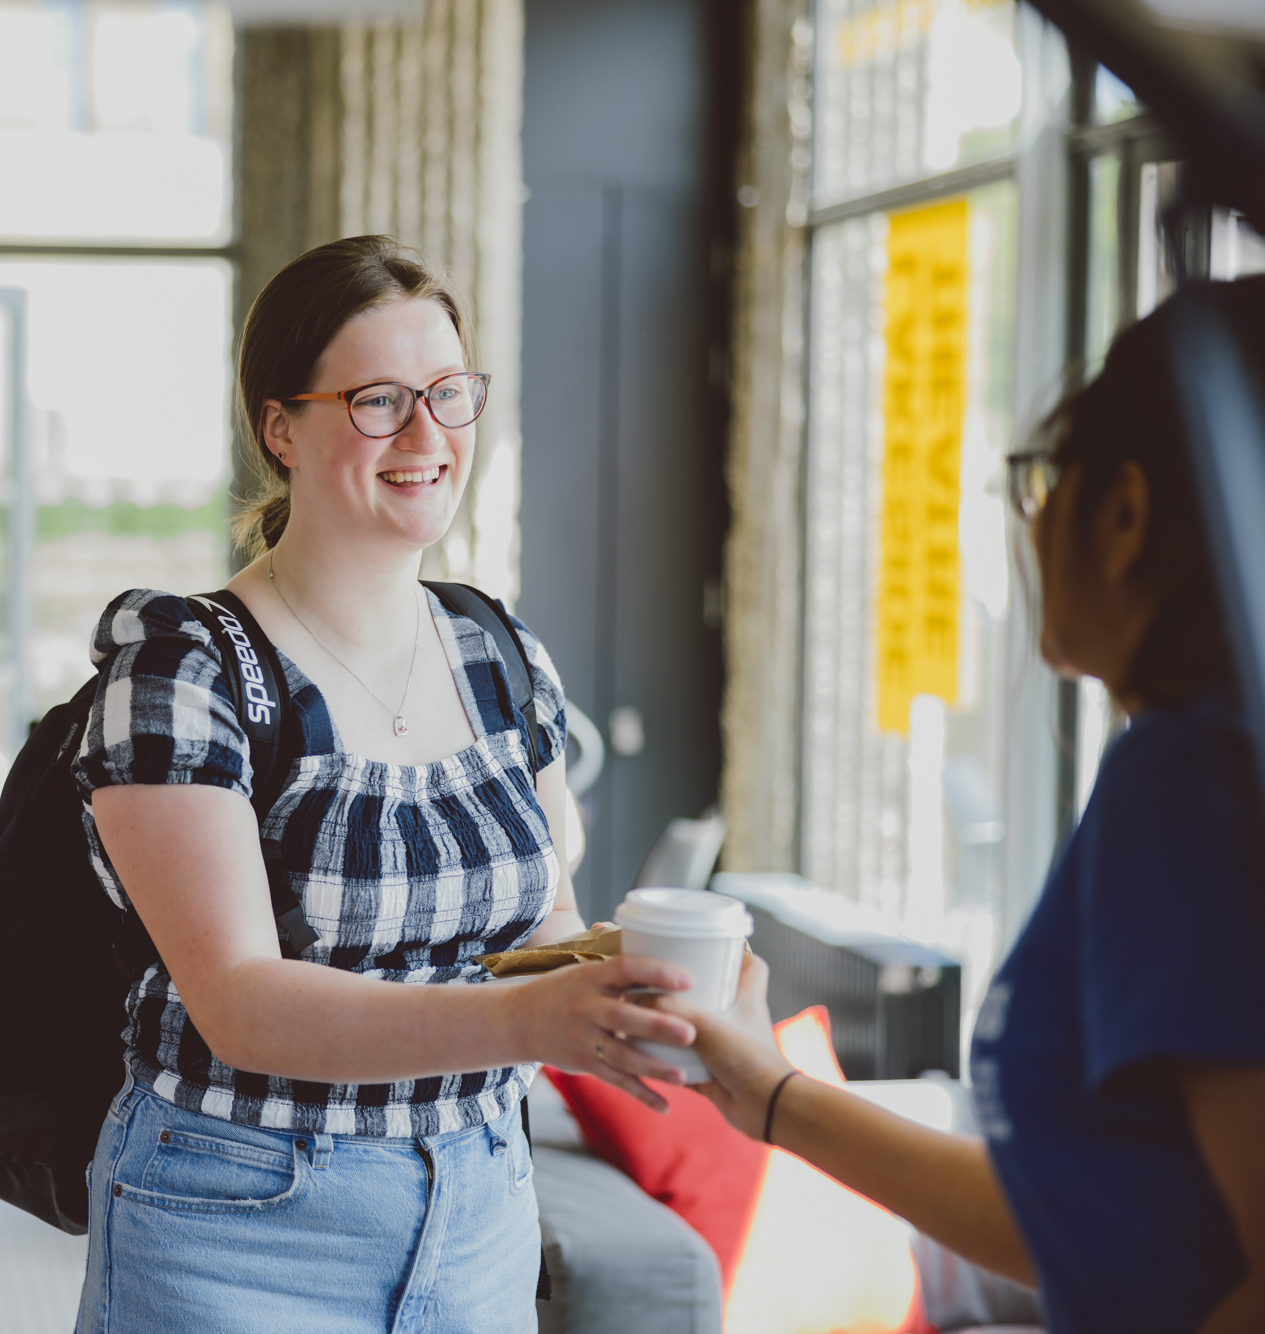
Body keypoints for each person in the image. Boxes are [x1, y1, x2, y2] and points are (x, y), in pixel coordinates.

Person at [72, 235, 704, 1333]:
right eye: (377, 400)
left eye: (449, 395)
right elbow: (240, 1005)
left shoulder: (499, 652)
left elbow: (539, 919)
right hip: (239, 1216)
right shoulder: (184, 667)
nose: (426, 436)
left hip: (479, 1203)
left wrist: (642, 978)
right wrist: (525, 1020)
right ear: (280, 426)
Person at [642, 280, 1265, 1334]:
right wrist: (774, 1093)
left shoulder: (1190, 780)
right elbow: (1098, 1223)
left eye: (1039, 481)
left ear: (1120, 511)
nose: (1030, 523)